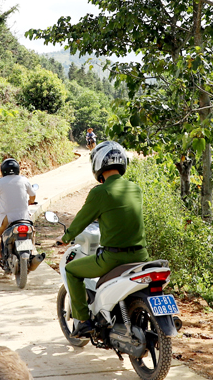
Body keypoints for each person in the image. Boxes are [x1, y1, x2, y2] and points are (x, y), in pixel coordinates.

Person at [53, 141, 145, 336]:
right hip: (141, 256)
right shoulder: (135, 188)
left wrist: (65, 237)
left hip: (113, 259)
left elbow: (81, 220)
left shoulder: (99, 192)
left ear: (98, 165)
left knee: (71, 270)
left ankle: (84, 321)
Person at [0, 158, 38, 267]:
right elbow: (33, 195)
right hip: (24, 217)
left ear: (2, 170)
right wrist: (30, 202)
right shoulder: (24, 180)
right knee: (32, 230)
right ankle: (32, 251)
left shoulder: (0, 182)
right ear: (17, 169)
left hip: (7, 219)